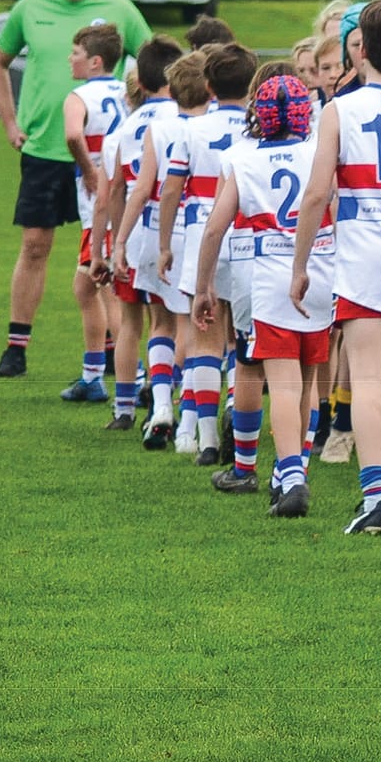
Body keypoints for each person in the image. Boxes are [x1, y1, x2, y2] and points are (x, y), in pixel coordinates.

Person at [290, 0, 381, 535]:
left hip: (361, 254)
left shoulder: (340, 110)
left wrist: (301, 263)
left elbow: (316, 195)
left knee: (370, 378)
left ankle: (376, 492)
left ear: (363, 50)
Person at [0, 0, 152, 378]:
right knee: (35, 245)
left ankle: (116, 354)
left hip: (104, 163)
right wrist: (9, 122)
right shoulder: (30, 7)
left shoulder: (119, 9)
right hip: (44, 149)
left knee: (108, 251)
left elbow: (154, 65)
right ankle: (16, 346)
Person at [195, 73, 334, 519]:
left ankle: (288, 474)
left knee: (281, 380)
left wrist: (203, 286)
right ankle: (297, 468)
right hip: (321, 270)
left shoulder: (241, 156)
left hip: (269, 274)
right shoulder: (320, 151)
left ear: (259, 113)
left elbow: (216, 226)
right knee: (309, 381)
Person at [159, 43, 256, 477]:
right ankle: (239, 412)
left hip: (203, 236)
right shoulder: (259, 130)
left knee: (204, 341)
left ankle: (207, 440)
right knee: (242, 342)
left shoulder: (191, 130)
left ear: (209, 85)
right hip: (249, 239)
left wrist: (165, 243)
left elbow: (171, 190)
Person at [116, 49, 206, 452]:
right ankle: (189, 424)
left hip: (156, 231)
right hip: (200, 232)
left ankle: (162, 407)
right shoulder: (217, 126)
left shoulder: (159, 128)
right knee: (195, 329)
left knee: (161, 324)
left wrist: (119, 240)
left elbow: (141, 189)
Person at [92, 40, 181, 432]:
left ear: (139, 82)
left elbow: (114, 191)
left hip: (138, 232)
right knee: (174, 321)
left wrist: (113, 245)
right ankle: (175, 401)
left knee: (130, 321)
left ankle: (124, 408)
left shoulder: (125, 129)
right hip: (179, 230)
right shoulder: (187, 118)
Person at [54, 24, 125, 400]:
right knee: (85, 287)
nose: (71, 58)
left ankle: (137, 377)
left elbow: (71, 135)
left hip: (99, 209)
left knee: (108, 289)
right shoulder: (129, 92)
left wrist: (89, 169)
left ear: (95, 61)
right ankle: (93, 375)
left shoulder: (78, 96)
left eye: (76, 52)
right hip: (126, 203)